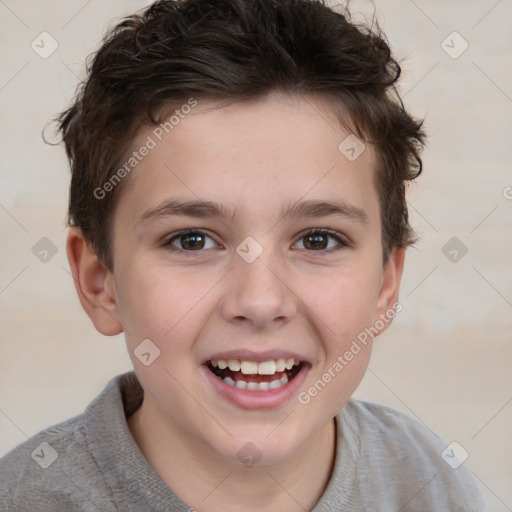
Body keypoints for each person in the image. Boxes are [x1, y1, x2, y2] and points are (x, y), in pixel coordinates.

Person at [0, 0, 487, 510]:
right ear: (100, 281)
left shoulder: (428, 482)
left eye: (318, 240)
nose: (259, 301)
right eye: (192, 240)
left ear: (386, 285)